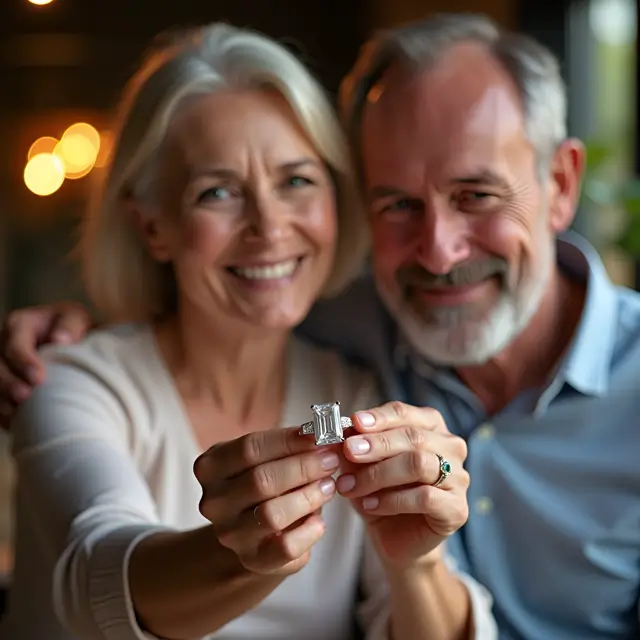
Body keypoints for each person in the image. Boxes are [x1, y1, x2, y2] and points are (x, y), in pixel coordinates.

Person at [2, 11, 639, 640]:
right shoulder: (77, 376)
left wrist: (415, 560)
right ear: (152, 225)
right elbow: (93, 579)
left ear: (560, 185)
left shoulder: (352, 374)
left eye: (476, 195)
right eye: (216, 192)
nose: (438, 252)